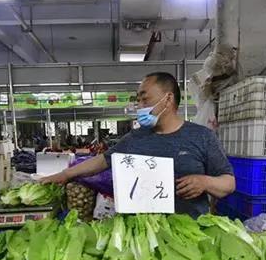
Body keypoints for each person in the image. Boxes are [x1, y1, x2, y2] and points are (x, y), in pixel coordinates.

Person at [42, 72, 235, 218]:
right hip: (141, 235)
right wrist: (65, 174)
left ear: (167, 99)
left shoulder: (202, 136)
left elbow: (229, 183)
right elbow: (102, 161)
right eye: (139, 100)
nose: (140, 106)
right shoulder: (135, 138)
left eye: (145, 99)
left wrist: (205, 182)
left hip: (188, 236)